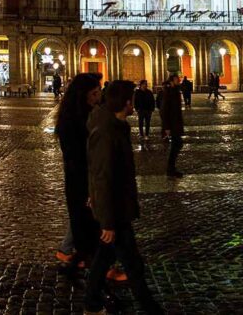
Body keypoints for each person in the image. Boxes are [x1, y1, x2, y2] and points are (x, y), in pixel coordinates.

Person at [84, 79, 165, 315]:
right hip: (115, 209)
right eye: (132, 99)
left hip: (115, 205)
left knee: (104, 257)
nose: (135, 103)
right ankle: (150, 309)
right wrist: (107, 221)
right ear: (126, 102)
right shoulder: (108, 131)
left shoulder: (112, 125)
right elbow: (102, 174)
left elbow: (98, 170)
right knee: (132, 263)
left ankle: (90, 303)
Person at [55, 73, 103, 275]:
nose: (98, 97)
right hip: (81, 179)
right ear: (82, 94)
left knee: (85, 224)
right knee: (86, 223)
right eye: (94, 93)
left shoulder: (87, 113)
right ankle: (92, 268)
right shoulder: (72, 120)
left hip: (85, 178)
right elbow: (76, 156)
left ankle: (76, 261)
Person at [159, 74, 185, 178]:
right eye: (176, 79)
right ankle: (170, 169)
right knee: (177, 144)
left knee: (177, 145)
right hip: (172, 125)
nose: (179, 80)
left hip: (176, 123)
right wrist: (167, 127)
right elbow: (164, 110)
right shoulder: (168, 92)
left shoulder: (175, 91)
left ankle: (171, 168)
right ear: (171, 81)